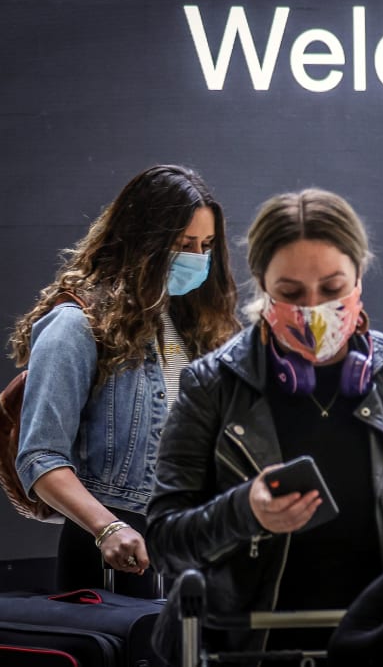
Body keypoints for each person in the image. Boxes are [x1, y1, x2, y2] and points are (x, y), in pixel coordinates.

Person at [145, 188, 383, 661]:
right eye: (291, 293)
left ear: (359, 277)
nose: (313, 308)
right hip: (248, 649)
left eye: (333, 289)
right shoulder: (211, 384)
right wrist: (244, 512)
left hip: (381, 645)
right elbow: (164, 541)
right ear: (262, 286)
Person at [11, 164, 239, 596]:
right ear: (143, 241)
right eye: (183, 244)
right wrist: (107, 528)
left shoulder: (194, 324)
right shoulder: (75, 326)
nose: (197, 257)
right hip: (118, 548)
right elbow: (40, 458)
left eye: (206, 245)